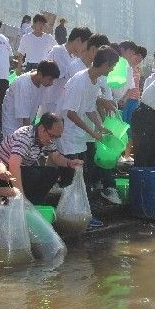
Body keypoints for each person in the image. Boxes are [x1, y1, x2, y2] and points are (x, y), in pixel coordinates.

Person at [58, 47, 121, 207]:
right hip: (68, 134)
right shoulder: (80, 81)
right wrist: (92, 131)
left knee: (83, 176)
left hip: (79, 135)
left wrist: (100, 127)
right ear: (105, 64)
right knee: (71, 178)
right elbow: (71, 113)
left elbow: (89, 108)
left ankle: (80, 211)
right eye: (112, 66)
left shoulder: (96, 80)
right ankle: (70, 212)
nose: (113, 69)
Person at [0, 113, 83, 201]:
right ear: (42, 128)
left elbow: (56, 156)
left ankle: (35, 201)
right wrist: (20, 196)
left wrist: (69, 163)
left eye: (57, 137)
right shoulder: (24, 137)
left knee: (52, 173)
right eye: (52, 135)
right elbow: (13, 165)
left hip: (20, 170)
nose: (53, 140)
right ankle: (22, 200)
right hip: (2, 174)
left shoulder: (46, 138)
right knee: (34, 174)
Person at [1, 60, 60, 138]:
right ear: (40, 74)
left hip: (27, 122)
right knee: (15, 145)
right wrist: (29, 139)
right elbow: (25, 117)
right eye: (50, 79)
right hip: (12, 124)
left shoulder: (42, 82)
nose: (51, 83)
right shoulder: (24, 84)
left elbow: (42, 109)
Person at [41, 26, 92, 114]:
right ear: (79, 40)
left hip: (61, 102)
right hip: (52, 101)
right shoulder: (58, 51)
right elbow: (59, 75)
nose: (85, 50)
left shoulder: (72, 57)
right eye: (85, 46)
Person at [121, 45, 147, 162]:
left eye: (140, 60)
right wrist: (124, 98)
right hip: (125, 101)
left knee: (130, 129)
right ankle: (119, 153)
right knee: (121, 127)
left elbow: (135, 87)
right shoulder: (125, 68)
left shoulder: (136, 70)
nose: (138, 60)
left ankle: (126, 155)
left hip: (134, 101)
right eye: (137, 57)